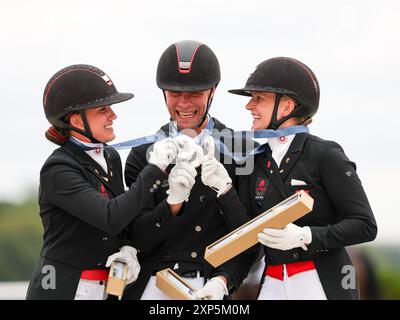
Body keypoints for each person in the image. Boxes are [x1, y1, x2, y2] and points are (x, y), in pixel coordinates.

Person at [223, 57, 378, 299]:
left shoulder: (325, 154)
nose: (249, 106)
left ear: (286, 107)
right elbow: (245, 231)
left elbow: (365, 225)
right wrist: (223, 189)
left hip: (319, 280)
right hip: (272, 282)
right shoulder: (254, 161)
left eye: (258, 99)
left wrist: (306, 236)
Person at [123, 40, 258, 300]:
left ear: (212, 91)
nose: (183, 103)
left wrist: (224, 281)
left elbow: (249, 237)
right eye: (174, 93)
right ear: (163, 92)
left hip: (210, 287)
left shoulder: (242, 149)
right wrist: (172, 204)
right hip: (154, 286)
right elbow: (139, 236)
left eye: (194, 93)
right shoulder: (143, 154)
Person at [26, 64, 169, 299]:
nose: (113, 115)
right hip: (61, 287)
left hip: (102, 287)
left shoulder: (110, 157)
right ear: (78, 121)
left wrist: (127, 246)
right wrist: (154, 169)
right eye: (103, 109)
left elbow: (124, 217)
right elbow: (110, 217)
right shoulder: (59, 169)